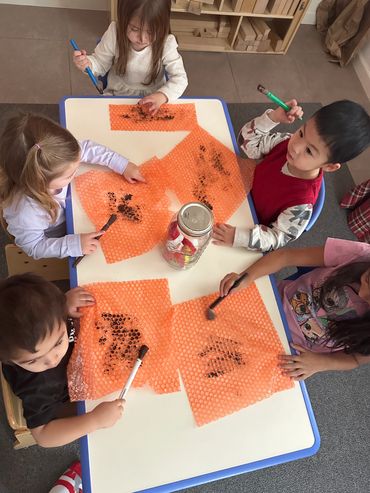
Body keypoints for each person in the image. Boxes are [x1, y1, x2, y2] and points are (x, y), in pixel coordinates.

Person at [213, 100, 370, 252]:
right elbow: (246, 144)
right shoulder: (285, 141)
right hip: (235, 188)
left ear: (329, 166)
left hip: (246, 222)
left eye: (309, 151)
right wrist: (273, 118)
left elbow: (275, 238)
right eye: (301, 133)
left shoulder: (302, 206)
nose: (295, 146)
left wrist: (238, 237)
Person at [0, 273, 124, 447]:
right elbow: (43, 437)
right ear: (11, 361)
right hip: (66, 399)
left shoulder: (51, 318)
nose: (52, 360)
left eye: (57, 342)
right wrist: (94, 420)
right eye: (32, 361)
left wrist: (65, 304)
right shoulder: (35, 386)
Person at [219, 237, 370, 380]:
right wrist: (246, 277)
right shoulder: (357, 254)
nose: (362, 294)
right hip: (272, 302)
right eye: (368, 281)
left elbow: (356, 359)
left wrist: (320, 363)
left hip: (289, 351)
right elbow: (286, 256)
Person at [0, 113, 144, 259]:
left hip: (74, 213)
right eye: (69, 175)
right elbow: (35, 247)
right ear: (39, 182)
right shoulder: (25, 212)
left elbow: (87, 148)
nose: (75, 172)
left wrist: (122, 164)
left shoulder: (59, 153)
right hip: (60, 237)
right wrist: (74, 245)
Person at [72, 0, 188, 115]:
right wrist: (87, 63)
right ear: (123, 19)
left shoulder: (166, 43)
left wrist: (162, 96)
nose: (142, 39)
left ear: (163, 26)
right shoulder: (115, 33)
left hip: (154, 99)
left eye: (151, 31)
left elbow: (180, 79)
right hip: (116, 94)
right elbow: (100, 63)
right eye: (135, 29)